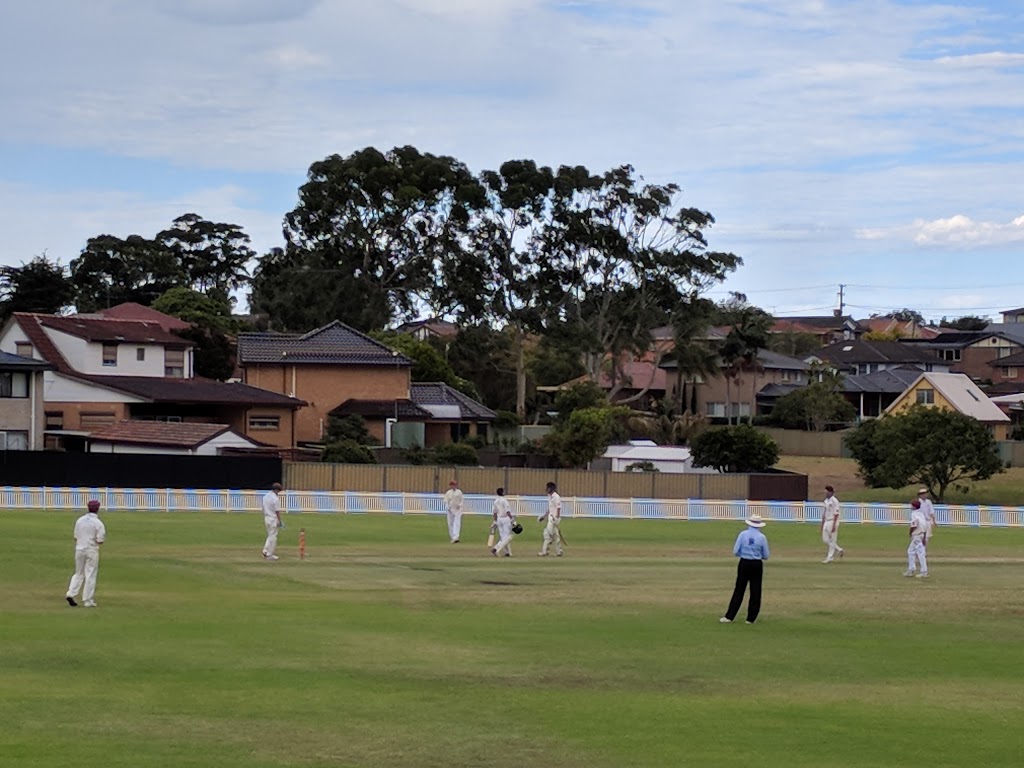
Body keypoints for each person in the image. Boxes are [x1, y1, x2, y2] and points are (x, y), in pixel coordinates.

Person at [720, 513, 770, 625]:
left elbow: (736, 551)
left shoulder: (743, 534)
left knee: (739, 589)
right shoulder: (762, 537)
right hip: (756, 564)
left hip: (744, 563)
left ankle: (730, 616)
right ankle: (751, 618)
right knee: (755, 591)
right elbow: (766, 555)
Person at [66, 499, 106, 608]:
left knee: (78, 573)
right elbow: (100, 540)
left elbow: (75, 537)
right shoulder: (98, 523)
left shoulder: (80, 520)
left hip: (79, 548)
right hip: (91, 549)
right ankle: (88, 600)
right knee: (90, 574)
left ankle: (71, 593)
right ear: (97, 509)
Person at [904, 499, 929, 578]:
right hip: (921, 534)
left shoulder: (914, 514)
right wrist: (924, 537)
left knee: (919, 553)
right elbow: (925, 526)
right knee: (911, 551)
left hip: (917, 535)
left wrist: (910, 533)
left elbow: (914, 525)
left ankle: (923, 571)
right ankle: (911, 569)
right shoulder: (921, 514)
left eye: (911, 505)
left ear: (914, 506)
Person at [538, 481, 563, 557]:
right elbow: (550, 508)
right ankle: (559, 551)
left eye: (548, 488)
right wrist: (544, 516)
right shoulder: (550, 496)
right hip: (550, 517)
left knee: (547, 534)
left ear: (551, 488)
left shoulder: (556, 497)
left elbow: (558, 508)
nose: (547, 489)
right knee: (555, 536)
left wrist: (557, 517)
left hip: (554, 518)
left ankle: (544, 551)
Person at [820, 485, 845, 563]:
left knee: (832, 540)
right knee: (825, 540)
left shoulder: (834, 501)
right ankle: (839, 549)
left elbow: (836, 513)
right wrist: (822, 522)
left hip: (833, 521)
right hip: (827, 521)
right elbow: (824, 512)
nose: (825, 492)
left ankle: (830, 557)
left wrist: (834, 524)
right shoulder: (826, 501)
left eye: (826, 491)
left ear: (830, 492)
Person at [490, 487, 516, 557]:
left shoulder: (495, 501)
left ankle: (507, 552)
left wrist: (495, 521)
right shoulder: (504, 501)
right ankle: (496, 549)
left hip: (499, 519)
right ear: (502, 492)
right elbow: (508, 511)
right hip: (505, 519)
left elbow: (494, 513)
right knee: (507, 537)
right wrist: (512, 519)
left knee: (503, 537)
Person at [262, 482, 284, 561]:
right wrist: (280, 521)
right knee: (273, 537)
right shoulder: (275, 499)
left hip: (266, 517)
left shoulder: (266, 496)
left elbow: (263, 507)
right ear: (276, 490)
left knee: (270, 535)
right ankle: (269, 554)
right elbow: (277, 511)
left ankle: (265, 551)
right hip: (273, 518)